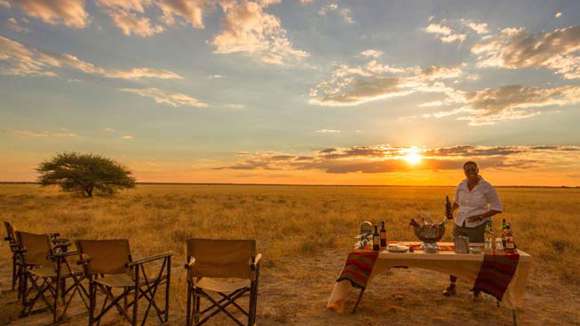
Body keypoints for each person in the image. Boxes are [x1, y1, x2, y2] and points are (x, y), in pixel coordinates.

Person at [443, 161, 502, 298]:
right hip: (460, 224)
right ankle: (452, 286)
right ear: (464, 171)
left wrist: (480, 217)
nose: (470, 171)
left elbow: (497, 208)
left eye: (472, 168)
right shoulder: (461, 185)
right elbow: (457, 203)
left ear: (478, 169)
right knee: (457, 254)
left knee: (477, 257)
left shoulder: (486, 187)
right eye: (467, 169)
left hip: (478, 226)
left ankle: (477, 288)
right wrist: (450, 211)